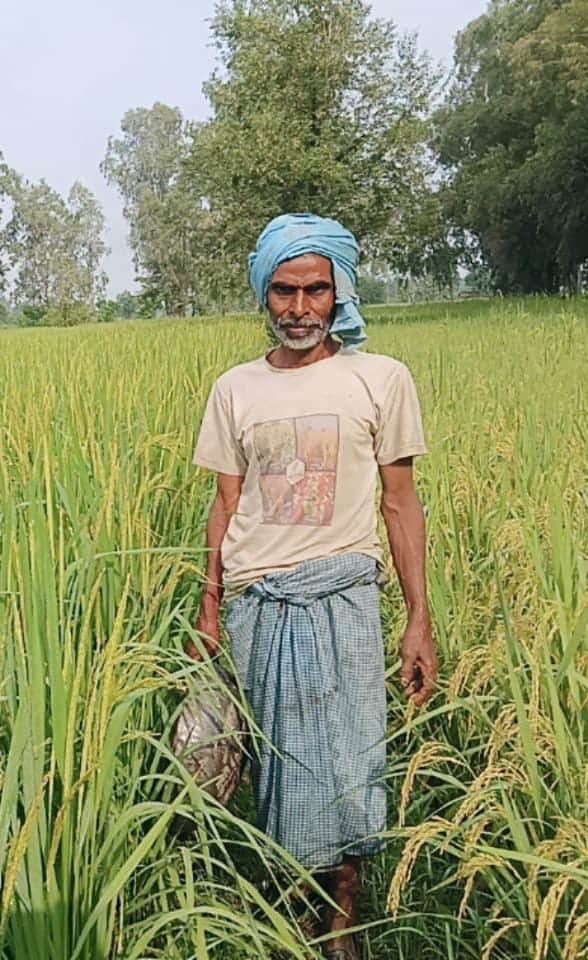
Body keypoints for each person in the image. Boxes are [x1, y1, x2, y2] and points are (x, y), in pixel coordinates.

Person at [188, 212, 437, 960]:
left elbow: (400, 503)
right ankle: (294, 916)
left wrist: (419, 618)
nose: (299, 309)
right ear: (264, 294)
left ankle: (341, 922)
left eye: (315, 291)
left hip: (345, 599)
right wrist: (208, 607)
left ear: (339, 292)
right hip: (259, 605)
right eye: (284, 291)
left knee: (352, 762)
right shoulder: (235, 388)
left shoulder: (380, 379)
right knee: (284, 770)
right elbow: (225, 504)